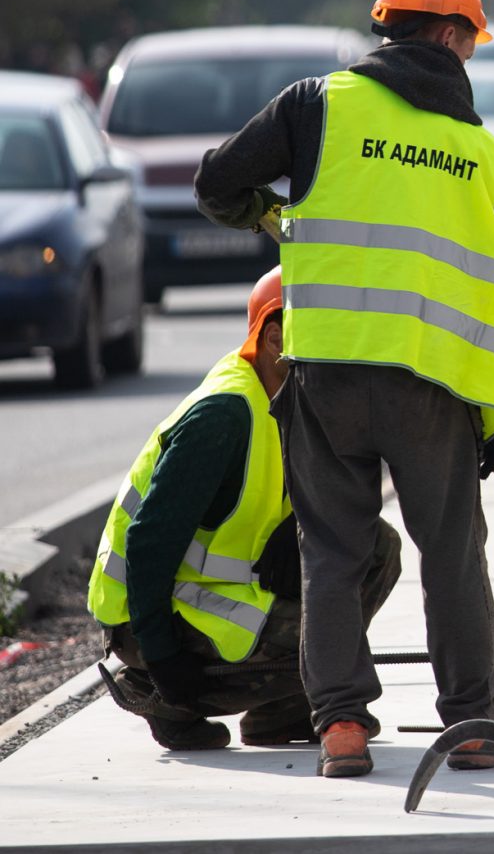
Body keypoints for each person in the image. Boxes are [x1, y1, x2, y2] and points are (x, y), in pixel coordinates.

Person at [194, 0, 494, 778]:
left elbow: (215, 183)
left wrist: (278, 218)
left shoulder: (317, 106)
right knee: (452, 552)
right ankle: (475, 726)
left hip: (327, 374)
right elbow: (491, 299)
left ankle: (341, 725)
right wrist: (489, 419)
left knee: (331, 551)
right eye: (470, 43)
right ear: (447, 35)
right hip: (431, 385)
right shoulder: (483, 157)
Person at [89, 268, 403, 752]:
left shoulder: (287, 394)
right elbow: (149, 542)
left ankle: (281, 713)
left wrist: (296, 521)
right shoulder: (223, 416)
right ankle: (165, 698)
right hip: (152, 613)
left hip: (221, 588)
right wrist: (163, 656)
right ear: (275, 337)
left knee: (374, 545)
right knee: (322, 632)